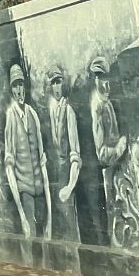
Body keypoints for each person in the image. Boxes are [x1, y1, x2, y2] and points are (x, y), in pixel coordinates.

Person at [4, 62, 51, 239]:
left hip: (40, 188)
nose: (19, 90)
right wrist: (22, 213)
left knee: (44, 238)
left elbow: (41, 156)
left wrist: (47, 195)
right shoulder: (11, 115)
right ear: (11, 89)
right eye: (15, 86)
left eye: (21, 84)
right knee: (30, 238)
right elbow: (9, 163)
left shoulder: (32, 114)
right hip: (24, 190)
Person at [88, 57, 127, 224]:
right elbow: (102, 154)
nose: (106, 83)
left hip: (117, 171)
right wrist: (120, 147)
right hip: (108, 175)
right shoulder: (97, 106)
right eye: (101, 78)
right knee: (115, 222)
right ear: (96, 79)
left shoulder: (107, 103)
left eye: (106, 78)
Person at [46, 66, 81, 234]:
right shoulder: (53, 110)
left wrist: (69, 187)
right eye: (53, 83)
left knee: (72, 229)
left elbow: (75, 155)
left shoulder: (69, 111)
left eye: (58, 82)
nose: (56, 87)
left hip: (69, 178)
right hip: (58, 177)